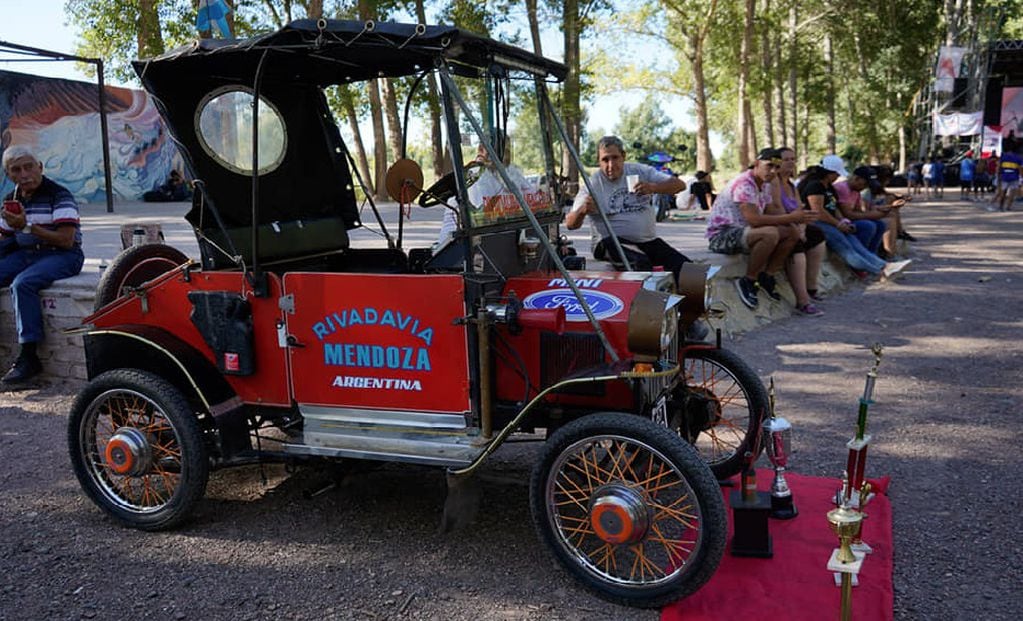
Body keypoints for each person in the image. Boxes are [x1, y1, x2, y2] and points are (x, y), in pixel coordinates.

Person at [0, 146, 85, 384]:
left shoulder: (59, 195)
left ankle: (28, 357)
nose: (24, 174)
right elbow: (6, 236)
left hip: (62, 255)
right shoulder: (12, 199)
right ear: (9, 175)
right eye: (16, 170)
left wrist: (27, 227)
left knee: (23, 284)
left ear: (40, 167)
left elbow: (67, 240)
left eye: (29, 166)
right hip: (26, 253)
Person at [705, 148, 815, 310]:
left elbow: (772, 213)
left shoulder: (765, 185)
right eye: (769, 166)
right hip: (722, 236)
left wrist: (797, 224)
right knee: (769, 233)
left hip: (744, 232)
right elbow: (754, 220)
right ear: (756, 164)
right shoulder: (745, 184)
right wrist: (791, 218)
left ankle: (767, 276)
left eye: (776, 168)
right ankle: (748, 280)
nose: (772, 171)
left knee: (791, 233)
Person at [565, 135, 688, 278]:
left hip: (647, 241)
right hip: (608, 243)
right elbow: (570, 224)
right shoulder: (592, 184)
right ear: (598, 161)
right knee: (639, 263)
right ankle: (647, 298)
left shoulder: (640, 171)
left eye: (615, 158)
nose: (610, 165)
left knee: (686, 269)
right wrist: (582, 210)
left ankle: (676, 297)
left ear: (623, 156)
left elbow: (680, 185)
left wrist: (653, 187)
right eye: (605, 160)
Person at [800, 155, 910, 280]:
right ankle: (879, 271)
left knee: (857, 246)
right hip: (819, 223)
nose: (837, 177)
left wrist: (843, 221)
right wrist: (838, 224)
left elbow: (834, 208)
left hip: (832, 222)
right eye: (836, 174)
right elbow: (818, 211)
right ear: (829, 173)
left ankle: (884, 265)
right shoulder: (815, 186)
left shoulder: (828, 186)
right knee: (846, 249)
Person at [770, 147, 825, 316]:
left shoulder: (792, 186)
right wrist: (796, 228)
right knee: (796, 244)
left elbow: (800, 209)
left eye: (793, 159)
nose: (791, 162)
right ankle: (803, 302)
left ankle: (811, 287)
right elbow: (778, 211)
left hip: (793, 224)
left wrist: (802, 226)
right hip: (779, 224)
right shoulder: (774, 182)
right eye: (786, 159)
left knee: (817, 235)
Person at [832, 165, 891, 255]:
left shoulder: (856, 191)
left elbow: (858, 211)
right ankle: (861, 254)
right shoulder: (842, 188)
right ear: (856, 178)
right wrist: (874, 215)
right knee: (868, 226)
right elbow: (848, 214)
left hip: (850, 220)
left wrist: (876, 210)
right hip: (841, 221)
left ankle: (872, 254)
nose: (864, 187)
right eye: (864, 184)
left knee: (880, 224)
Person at [995, 146, 1022, 212]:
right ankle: (1008, 207)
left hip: (1004, 176)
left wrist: (998, 175)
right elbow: (1020, 168)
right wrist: (1021, 176)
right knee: (1012, 193)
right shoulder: (1019, 157)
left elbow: (998, 167)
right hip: (1014, 177)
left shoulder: (1003, 156)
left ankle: (1001, 206)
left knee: (1003, 192)